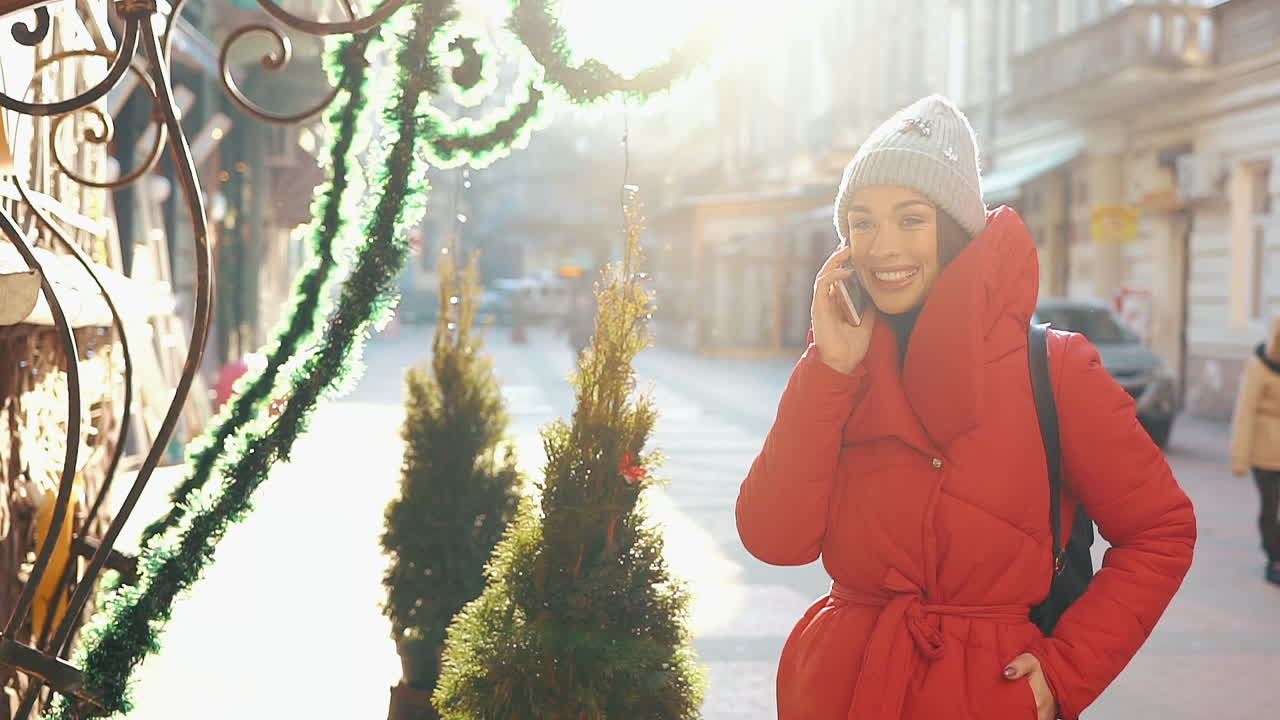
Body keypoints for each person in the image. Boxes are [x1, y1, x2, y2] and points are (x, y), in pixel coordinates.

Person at [735, 95, 1197, 720]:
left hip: (984, 695)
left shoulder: (1056, 368)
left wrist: (1064, 673)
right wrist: (828, 370)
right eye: (862, 223)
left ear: (955, 230)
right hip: (840, 688)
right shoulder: (843, 366)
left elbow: (1160, 531)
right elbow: (775, 539)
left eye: (910, 219)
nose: (881, 247)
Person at [1230, 316, 1280, 586]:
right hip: (1265, 453)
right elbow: (1245, 413)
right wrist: (1240, 457)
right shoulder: (1258, 367)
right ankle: (1274, 558)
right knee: (1270, 508)